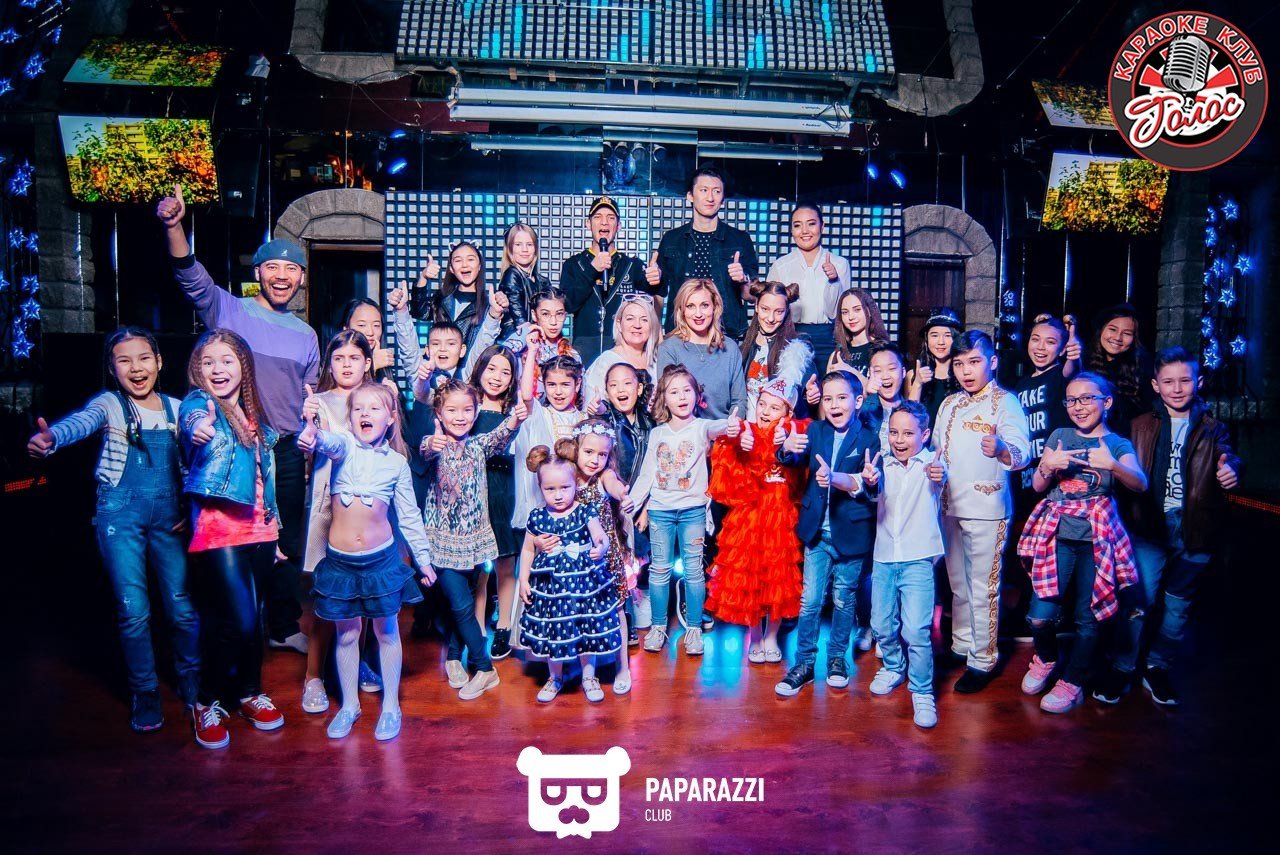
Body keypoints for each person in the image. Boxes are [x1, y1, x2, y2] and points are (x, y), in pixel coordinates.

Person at [157, 185, 314, 657]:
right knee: (232, 537)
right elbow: (189, 275)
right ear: (258, 273)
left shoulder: (307, 335)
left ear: (301, 278)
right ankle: (238, 627)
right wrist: (173, 226)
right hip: (234, 441)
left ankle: (282, 626)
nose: (282, 276)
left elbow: (308, 396)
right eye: (273, 267)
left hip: (285, 448)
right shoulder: (228, 309)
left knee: (285, 537)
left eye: (291, 269)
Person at [27, 328, 199, 737]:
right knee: (133, 609)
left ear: (159, 362)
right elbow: (80, 424)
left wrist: (189, 509)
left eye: (144, 358)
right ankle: (145, 693)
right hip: (119, 516)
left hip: (169, 518)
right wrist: (52, 438)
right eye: (125, 360)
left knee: (181, 607)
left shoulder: (178, 409)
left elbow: (193, 464)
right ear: (112, 368)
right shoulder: (109, 404)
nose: (136, 368)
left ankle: (192, 681)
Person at [1094, 347, 1241, 707]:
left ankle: (1157, 667)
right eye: (1169, 381)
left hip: (1195, 529)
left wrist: (1232, 469)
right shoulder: (1139, 425)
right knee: (1137, 602)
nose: (1177, 388)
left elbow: (1229, 456)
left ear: (1198, 382)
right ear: (1155, 385)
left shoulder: (1214, 429)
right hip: (1147, 527)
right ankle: (1123, 667)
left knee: (1177, 608)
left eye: (1185, 380)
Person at [297, 381, 437, 740]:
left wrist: (423, 560)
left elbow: (409, 515)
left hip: (380, 561)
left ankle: (390, 706)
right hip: (341, 563)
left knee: (386, 631)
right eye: (358, 408)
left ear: (390, 418)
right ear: (350, 418)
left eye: (374, 408)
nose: (365, 414)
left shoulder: (397, 463)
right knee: (347, 635)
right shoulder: (343, 446)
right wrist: (311, 433)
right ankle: (349, 705)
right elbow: (324, 441)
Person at [178, 329, 285, 749]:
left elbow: (262, 478)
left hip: (261, 529)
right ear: (197, 370)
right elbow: (191, 421)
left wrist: (275, 530)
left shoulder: (251, 414)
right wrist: (198, 429)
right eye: (208, 362)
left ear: (243, 366)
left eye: (227, 360)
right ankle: (205, 701)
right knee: (234, 620)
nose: (218, 369)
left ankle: (249, 692)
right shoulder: (200, 404)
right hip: (219, 529)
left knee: (253, 617)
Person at [1017, 373, 1146, 713]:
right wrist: (1047, 466)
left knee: (1088, 619)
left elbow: (1140, 484)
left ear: (1107, 402)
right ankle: (1046, 658)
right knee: (1040, 616)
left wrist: (1112, 465)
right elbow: (1039, 486)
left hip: (1096, 542)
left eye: (1087, 398)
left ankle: (1072, 681)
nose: (1078, 406)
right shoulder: (1060, 435)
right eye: (1072, 400)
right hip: (1057, 536)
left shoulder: (1116, 443)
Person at [299, 331, 395, 714]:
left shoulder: (378, 398)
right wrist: (308, 432)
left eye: (354, 358)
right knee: (328, 600)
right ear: (330, 364)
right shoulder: (318, 402)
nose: (346, 365)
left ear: (367, 362)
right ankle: (313, 677)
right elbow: (313, 442)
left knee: (368, 598)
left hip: (371, 510)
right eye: (339, 358)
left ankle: (356, 670)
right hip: (329, 508)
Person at [933, 330, 1031, 693]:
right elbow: (935, 450)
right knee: (957, 584)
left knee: (982, 587)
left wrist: (1003, 448)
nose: (966, 371)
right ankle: (961, 645)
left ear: (992, 362)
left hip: (987, 509)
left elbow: (1022, 451)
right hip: (949, 507)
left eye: (974, 362)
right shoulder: (949, 404)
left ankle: (983, 658)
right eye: (959, 364)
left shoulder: (1005, 402)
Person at [774, 370, 880, 697]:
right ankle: (804, 663)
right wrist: (786, 448)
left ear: (858, 401)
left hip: (852, 533)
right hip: (817, 533)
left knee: (844, 600)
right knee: (810, 602)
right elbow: (793, 459)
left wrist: (868, 480)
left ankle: (836, 659)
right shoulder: (816, 430)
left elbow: (870, 486)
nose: (834, 405)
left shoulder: (869, 438)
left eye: (842, 398)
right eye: (828, 399)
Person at [420, 380, 528, 700]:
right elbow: (425, 450)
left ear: (477, 410)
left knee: (464, 602)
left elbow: (500, 436)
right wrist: (432, 443)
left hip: (475, 543)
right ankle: (485, 668)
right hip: (442, 544)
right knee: (460, 604)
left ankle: (455, 657)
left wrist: (516, 417)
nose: (460, 416)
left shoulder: (479, 445)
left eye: (467, 410)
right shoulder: (434, 443)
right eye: (452, 410)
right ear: (439, 413)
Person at [631, 365, 741, 655]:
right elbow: (647, 473)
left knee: (694, 571)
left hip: (693, 511)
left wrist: (731, 426)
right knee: (659, 570)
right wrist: (633, 502)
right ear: (664, 398)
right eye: (674, 392)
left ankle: (693, 629)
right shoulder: (657, 434)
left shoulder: (701, 427)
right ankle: (658, 627)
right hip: (660, 511)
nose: (681, 397)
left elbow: (719, 427)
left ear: (697, 395)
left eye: (687, 390)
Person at [706, 358, 810, 664]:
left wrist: (790, 434)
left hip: (780, 519)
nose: (765, 411)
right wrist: (737, 443)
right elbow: (725, 467)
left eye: (774, 408)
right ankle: (754, 635)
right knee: (750, 577)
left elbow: (805, 446)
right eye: (762, 404)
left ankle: (771, 636)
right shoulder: (746, 431)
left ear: (787, 412)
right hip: (750, 518)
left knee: (776, 578)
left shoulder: (793, 431)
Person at [517, 446, 619, 703]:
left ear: (575, 485)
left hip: (583, 584)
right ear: (540, 488)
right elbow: (527, 549)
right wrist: (523, 579)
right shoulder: (537, 517)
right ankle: (555, 677)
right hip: (552, 589)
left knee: (587, 628)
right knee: (555, 630)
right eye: (550, 489)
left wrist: (601, 546)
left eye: (565, 487)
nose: (558, 495)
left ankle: (589, 676)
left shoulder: (585, 511)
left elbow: (600, 535)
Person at [868, 402, 946, 729]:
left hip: (918, 559)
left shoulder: (932, 464)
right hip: (884, 557)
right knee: (881, 625)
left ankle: (922, 689)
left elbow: (941, 477)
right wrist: (867, 481)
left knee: (916, 629)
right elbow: (865, 487)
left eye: (908, 433)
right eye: (894, 432)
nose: (899, 440)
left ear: (924, 435)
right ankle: (893, 666)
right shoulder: (881, 464)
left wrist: (940, 475)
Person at [558, 419, 636, 695]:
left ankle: (622, 666)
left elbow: (614, 484)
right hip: (574, 560)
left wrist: (623, 495)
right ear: (576, 449)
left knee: (617, 611)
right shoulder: (566, 477)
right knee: (577, 613)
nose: (595, 460)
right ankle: (579, 668)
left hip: (606, 560)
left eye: (602, 454)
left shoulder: (604, 477)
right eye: (589, 452)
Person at [646, 167, 758, 340]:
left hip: (727, 335)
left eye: (717, 191)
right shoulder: (671, 239)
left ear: (723, 199)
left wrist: (743, 279)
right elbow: (659, 294)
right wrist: (656, 333)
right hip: (680, 334)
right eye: (704, 190)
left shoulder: (740, 239)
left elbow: (751, 296)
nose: (710, 197)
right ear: (690, 196)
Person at [467, 346, 522, 661]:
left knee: (505, 561)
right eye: (492, 368)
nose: (497, 377)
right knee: (479, 567)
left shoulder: (516, 412)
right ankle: (477, 627)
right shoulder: (468, 407)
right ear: (479, 369)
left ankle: (504, 625)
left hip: (504, 488)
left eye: (505, 371)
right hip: (475, 490)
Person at [598, 361, 656, 644]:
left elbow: (658, 469)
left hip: (641, 504)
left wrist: (646, 507)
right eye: (614, 385)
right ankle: (623, 616)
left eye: (627, 383)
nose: (621, 389)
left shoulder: (651, 425)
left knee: (639, 558)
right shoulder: (604, 422)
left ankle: (638, 603)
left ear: (640, 388)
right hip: (611, 504)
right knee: (616, 561)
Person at [559, 196, 656, 365]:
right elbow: (568, 304)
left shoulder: (631, 265)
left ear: (618, 226)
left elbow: (653, 295)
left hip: (622, 350)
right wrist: (592, 270)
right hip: (584, 351)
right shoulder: (574, 264)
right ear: (588, 224)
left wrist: (658, 277)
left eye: (611, 218)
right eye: (598, 217)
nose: (604, 222)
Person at [766, 203, 851, 369]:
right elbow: (769, 306)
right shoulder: (781, 266)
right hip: (791, 338)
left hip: (830, 338)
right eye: (798, 225)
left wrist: (834, 280)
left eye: (811, 224)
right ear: (791, 230)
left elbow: (838, 313)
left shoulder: (840, 264)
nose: (805, 231)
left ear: (822, 227)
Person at [654, 278, 747, 419]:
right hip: (684, 431)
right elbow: (665, 402)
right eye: (690, 306)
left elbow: (739, 401)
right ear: (682, 310)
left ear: (715, 307)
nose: (698, 314)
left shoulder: (730, 348)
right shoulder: (669, 348)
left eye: (704, 305)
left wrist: (732, 425)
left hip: (723, 430)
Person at [739, 280, 816, 421]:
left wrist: (812, 394)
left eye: (779, 312)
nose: (771, 318)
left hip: (778, 429)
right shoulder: (744, 347)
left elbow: (808, 386)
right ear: (756, 306)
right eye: (765, 309)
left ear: (786, 312)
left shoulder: (796, 348)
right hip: (748, 427)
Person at [410, 242, 493, 352]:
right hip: (441, 360)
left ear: (479, 266)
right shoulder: (441, 299)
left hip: (473, 362)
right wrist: (423, 277)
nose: (464, 264)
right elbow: (419, 312)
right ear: (451, 269)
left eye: (470, 259)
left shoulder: (489, 306)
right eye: (458, 260)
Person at [1085, 304, 1153, 436]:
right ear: (1102, 329)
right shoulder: (1085, 361)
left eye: (1127, 333)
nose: (1117, 338)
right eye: (1112, 329)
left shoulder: (1142, 368)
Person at [583, 294, 661, 405]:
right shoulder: (606, 362)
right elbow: (590, 406)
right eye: (630, 319)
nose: (637, 325)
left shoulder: (658, 360)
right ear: (619, 325)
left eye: (644, 320)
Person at [905, 307, 963, 425]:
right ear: (926, 340)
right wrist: (918, 383)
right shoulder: (913, 375)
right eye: (934, 335)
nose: (941, 342)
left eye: (947, 335)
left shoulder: (963, 373)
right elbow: (909, 418)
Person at [496, 222, 553, 341]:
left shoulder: (542, 281)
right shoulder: (512, 275)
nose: (525, 249)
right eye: (518, 244)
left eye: (529, 244)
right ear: (510, 248)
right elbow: (518, 316)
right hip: (516, 340)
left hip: (535, 338)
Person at [829, 288, 891, 380]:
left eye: (857, 310)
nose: (851, 317)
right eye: (845, 312)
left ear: (869, 311)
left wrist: (851, 371)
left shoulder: (883, 349)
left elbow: (884, 387)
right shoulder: (837, 354)